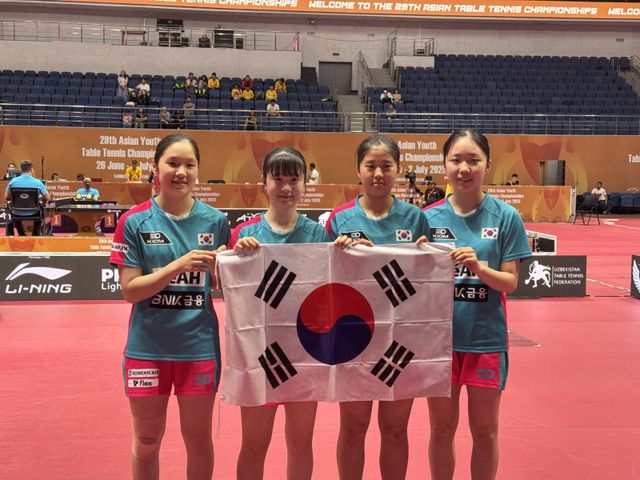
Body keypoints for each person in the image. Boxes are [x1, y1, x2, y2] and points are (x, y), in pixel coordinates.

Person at [110, 133, 230, 480]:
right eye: (172, 163)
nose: (181, 172)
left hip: (198, 349)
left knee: (199, 441)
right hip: (147, 350)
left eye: (189, 165)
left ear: (198, 171)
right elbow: (130, 291)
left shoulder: (216, 222)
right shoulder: (134, 222)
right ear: (155, 167)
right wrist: (178, 265)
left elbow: (223, 287)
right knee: (147, 440)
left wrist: (228, 267)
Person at [422, 129, 531, 480]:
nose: (464, 168)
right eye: (456, 160)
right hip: (439, 344)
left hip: (485, 340)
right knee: (441, 429)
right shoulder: (427, 218)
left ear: (488, 164)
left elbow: (510, 283)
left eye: (473, 160)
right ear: (444, 166)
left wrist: (479, 268)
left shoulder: (506, 217)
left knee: (485, 431)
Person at [326, 134, 431, 480]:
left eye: (386, 166)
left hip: (401, 339)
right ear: (358, 169)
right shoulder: (339, 220)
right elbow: (322, 279)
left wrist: (422, 257)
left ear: (398, 169)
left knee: (396, 430)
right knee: (353, 428)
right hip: (353, 339)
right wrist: (339, 255)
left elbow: (427, 282)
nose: (378, 173)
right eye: (370, 165)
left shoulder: (416, 219)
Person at [231, 146, 330, 480]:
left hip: (305, 351)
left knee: (300, 443)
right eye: (278, 179)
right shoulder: (246, 235)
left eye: (294, 179)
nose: (286, 187)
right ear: (264, 183)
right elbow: (232, 294)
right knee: (254, 444)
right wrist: (238, 257)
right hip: (260, 353)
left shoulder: (318, 234)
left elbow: (330, 290)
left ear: (305, 184)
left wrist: (346, 251)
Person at [4, 160, 49, 236]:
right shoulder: (38, 182)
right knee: (41, 210)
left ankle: (21, 233)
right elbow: (47, 197)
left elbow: (6, 197)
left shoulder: (13, 181)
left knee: (13, 209)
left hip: (16, 212)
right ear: (31, 169)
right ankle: (35, 234)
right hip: (34, 212)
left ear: (21, 169)